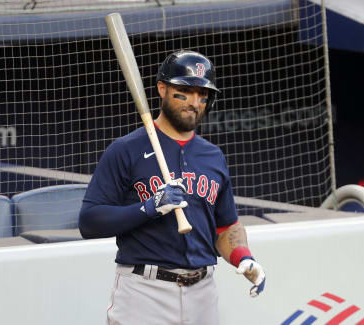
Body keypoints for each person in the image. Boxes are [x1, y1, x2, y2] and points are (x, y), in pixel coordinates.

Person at [79, 50, 265, 324]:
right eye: (185, 92)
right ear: (162, 89)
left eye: (203, 95)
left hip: (202, 290)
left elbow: (226, 226)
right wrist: (150, 207)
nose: (195, 102)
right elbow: (90, 222)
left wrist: (243, 257)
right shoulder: (126, 150)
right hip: (144, 291)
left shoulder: (213, 156)